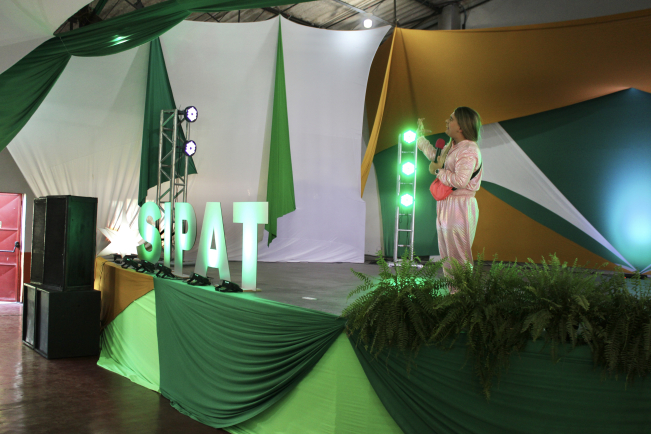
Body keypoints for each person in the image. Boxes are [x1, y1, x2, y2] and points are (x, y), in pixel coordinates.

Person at [416, 107, 483, 291]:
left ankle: (462, 298)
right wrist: (420, 138)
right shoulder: (453, 146)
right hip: (446, 203)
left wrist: (438, 171)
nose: (447, 121)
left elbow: (461, 181)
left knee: (459, 258)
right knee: (447, 256)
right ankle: (453, 295)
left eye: (451, 119)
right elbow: (436, 157)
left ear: (461, 126)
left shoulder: (468, 149)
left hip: (460, 206)